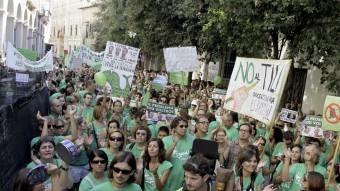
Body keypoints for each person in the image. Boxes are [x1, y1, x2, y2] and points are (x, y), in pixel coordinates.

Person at [162, 116, 195, 191]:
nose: (184, 128)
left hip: (185, 180)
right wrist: (175, 143)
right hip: (169, 178)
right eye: (181, 126)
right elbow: (165, 159)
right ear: (174, 128)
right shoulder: (166, 140)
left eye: (186, 126)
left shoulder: (192, 139)